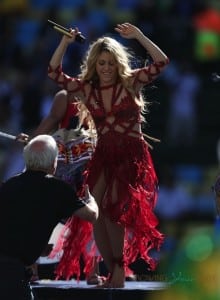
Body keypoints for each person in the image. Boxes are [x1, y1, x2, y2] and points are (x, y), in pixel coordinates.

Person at [48, 22, 169, 288]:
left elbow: (161, 62)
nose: (105, 68)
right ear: (94, 64)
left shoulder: (131, 82)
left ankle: (118, 273)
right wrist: (65, 43)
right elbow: (54, 73)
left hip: (130, 153)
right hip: (103, 153)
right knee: (96, 212)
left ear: (118, 64)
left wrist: (138, 35)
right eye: (101, 63)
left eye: (110, 63)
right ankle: (113, 269)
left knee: (114, 211)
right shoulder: (86, 89)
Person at [0, 134, 98, 299]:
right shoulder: (58, 189)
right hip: (12, 275)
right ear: (53, 162)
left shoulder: (10, 184)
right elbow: (92, 215)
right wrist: (92, 200)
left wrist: (37, 247)